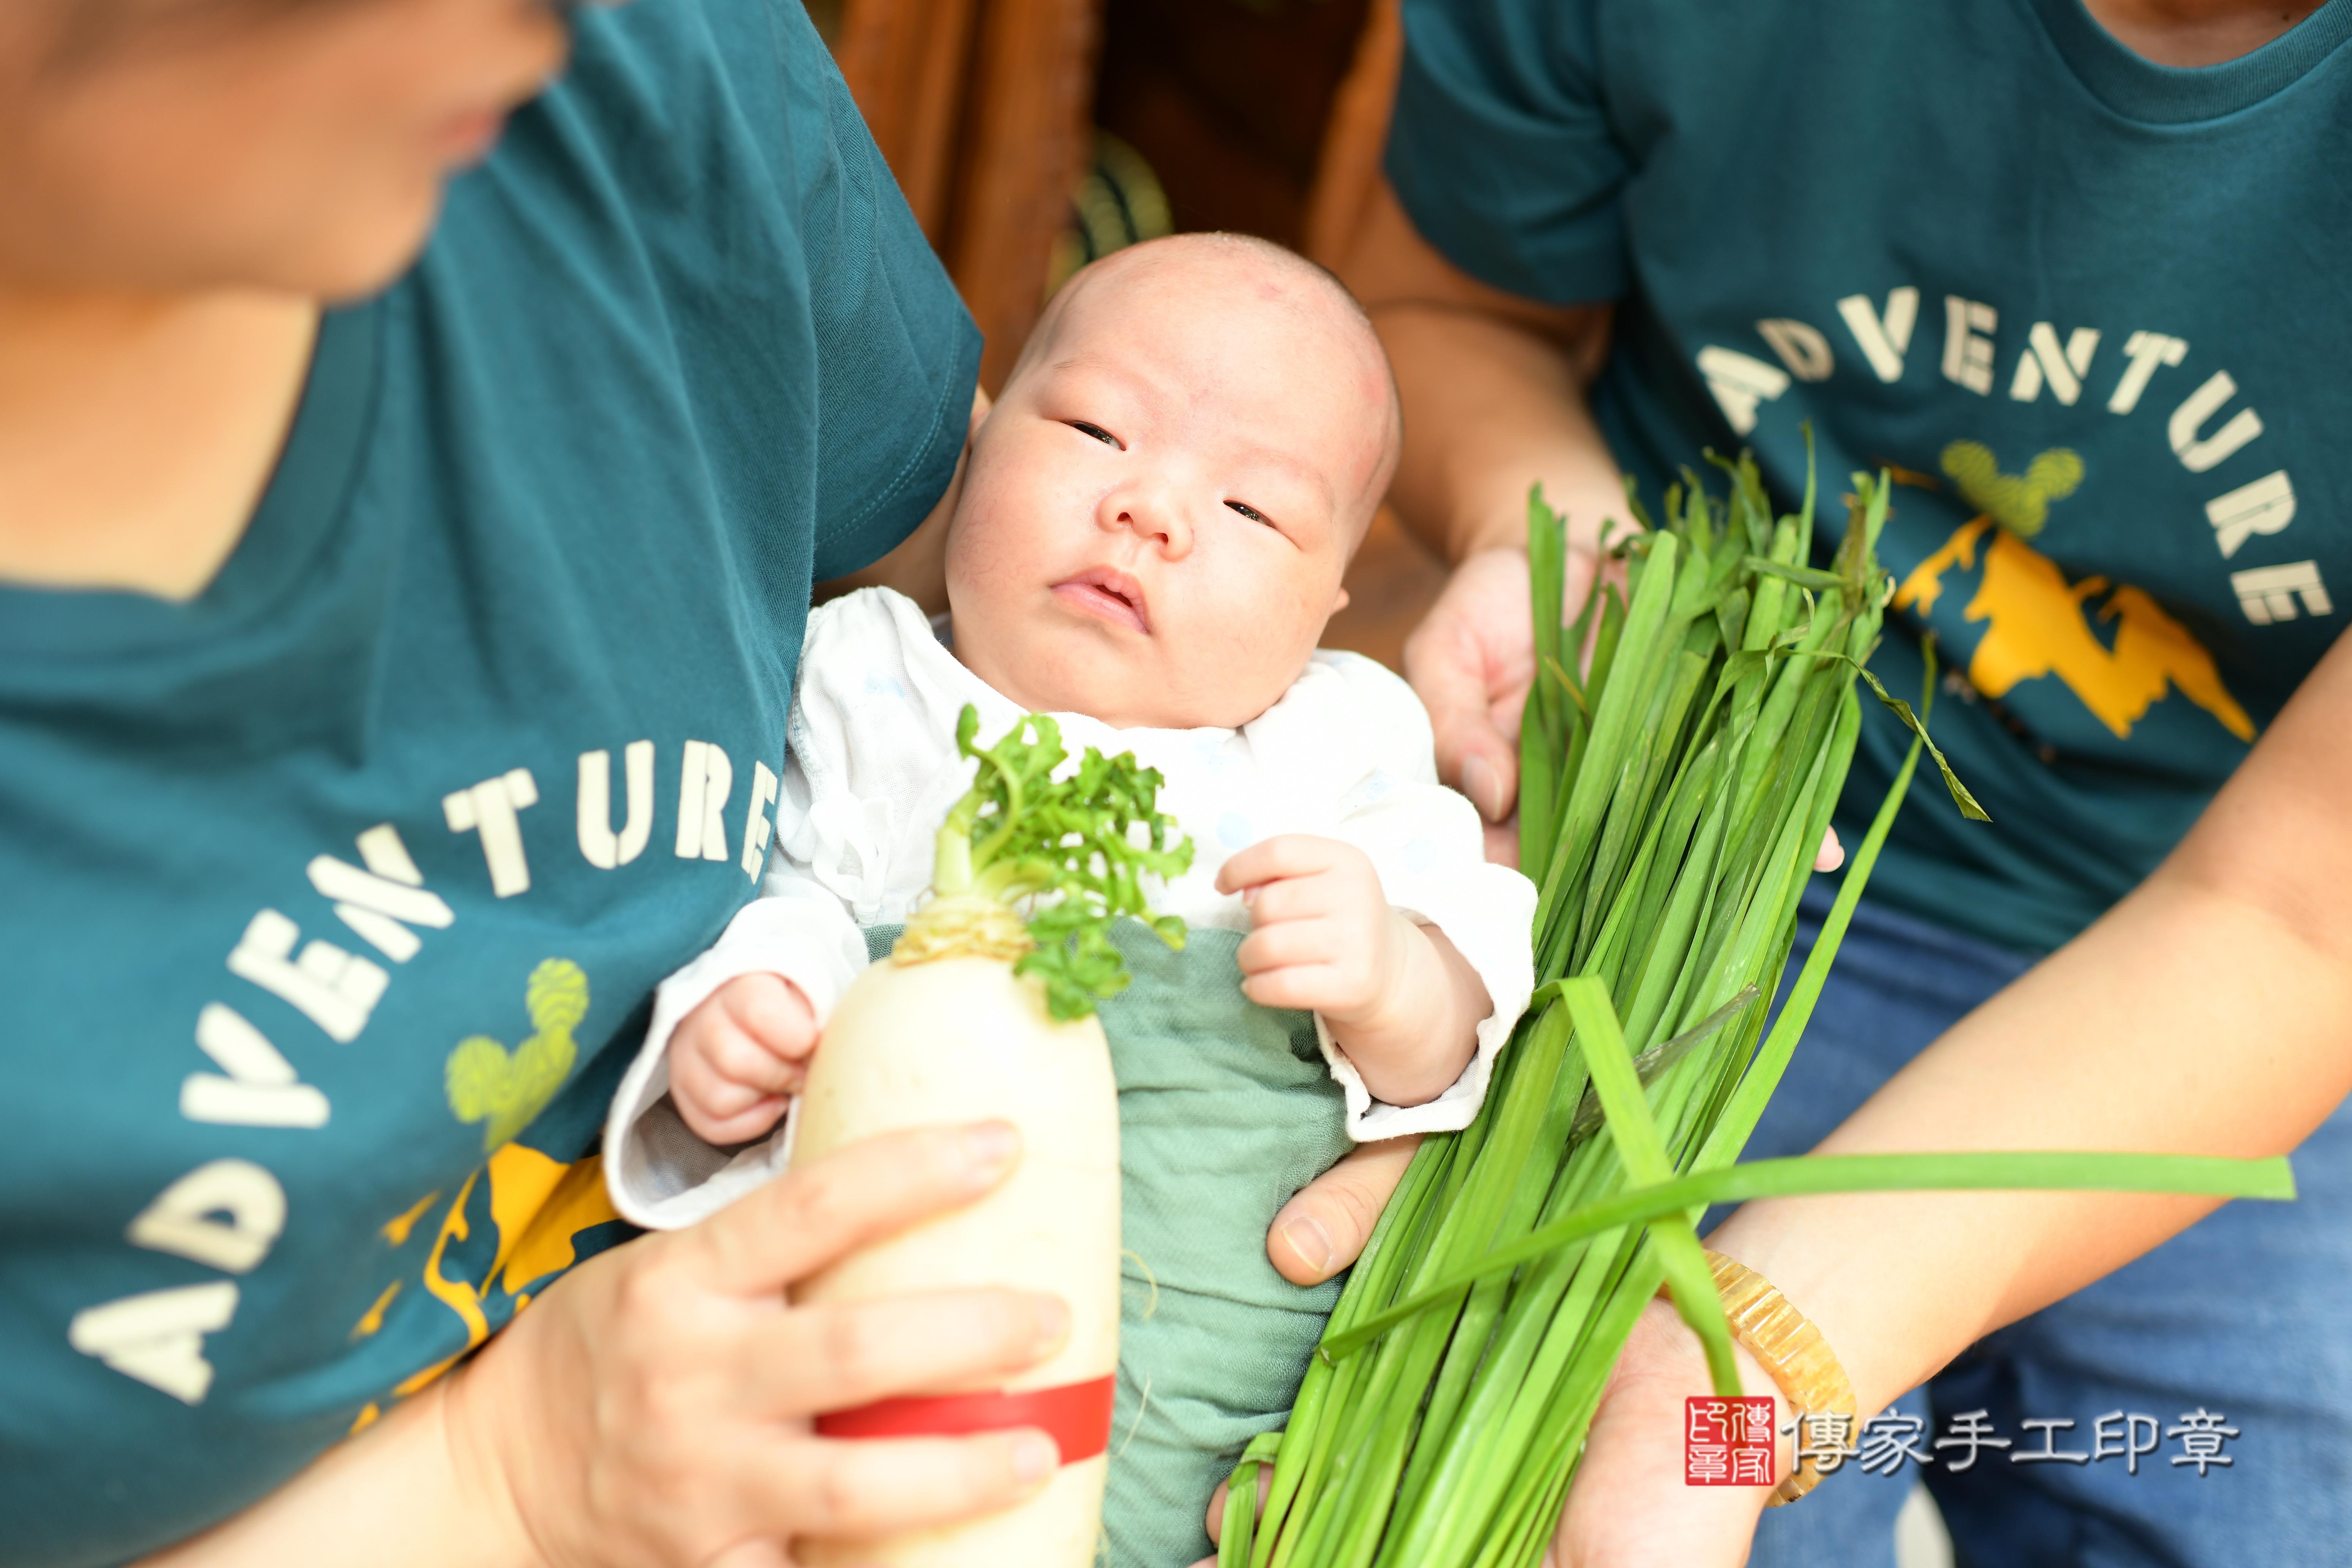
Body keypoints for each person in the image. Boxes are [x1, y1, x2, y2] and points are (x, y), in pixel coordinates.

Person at [0, 3, 1419, 1563]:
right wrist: (504, 1473)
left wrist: (1436, 1048)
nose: (529, 42)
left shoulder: (651, 70)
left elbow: (1009, 560)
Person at [1214, 1, 2352, 1565]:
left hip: (2228, 982)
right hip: (1692, 859)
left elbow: (2300, 915)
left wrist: (1737, 1358)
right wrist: (1573, 555)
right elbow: (1446, 306)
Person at [604, 232, 1536, 1567]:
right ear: (974, 451)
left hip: (1198, 1408)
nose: (1150, 509)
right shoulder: (872, 687)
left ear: (1329, 603)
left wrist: (1397, 977)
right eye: (1098, 429)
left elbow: (1467, 1009)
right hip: (880, 1381)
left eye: (1254, 510)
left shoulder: (1333, 747)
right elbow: (788, 887)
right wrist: (755, 1008)